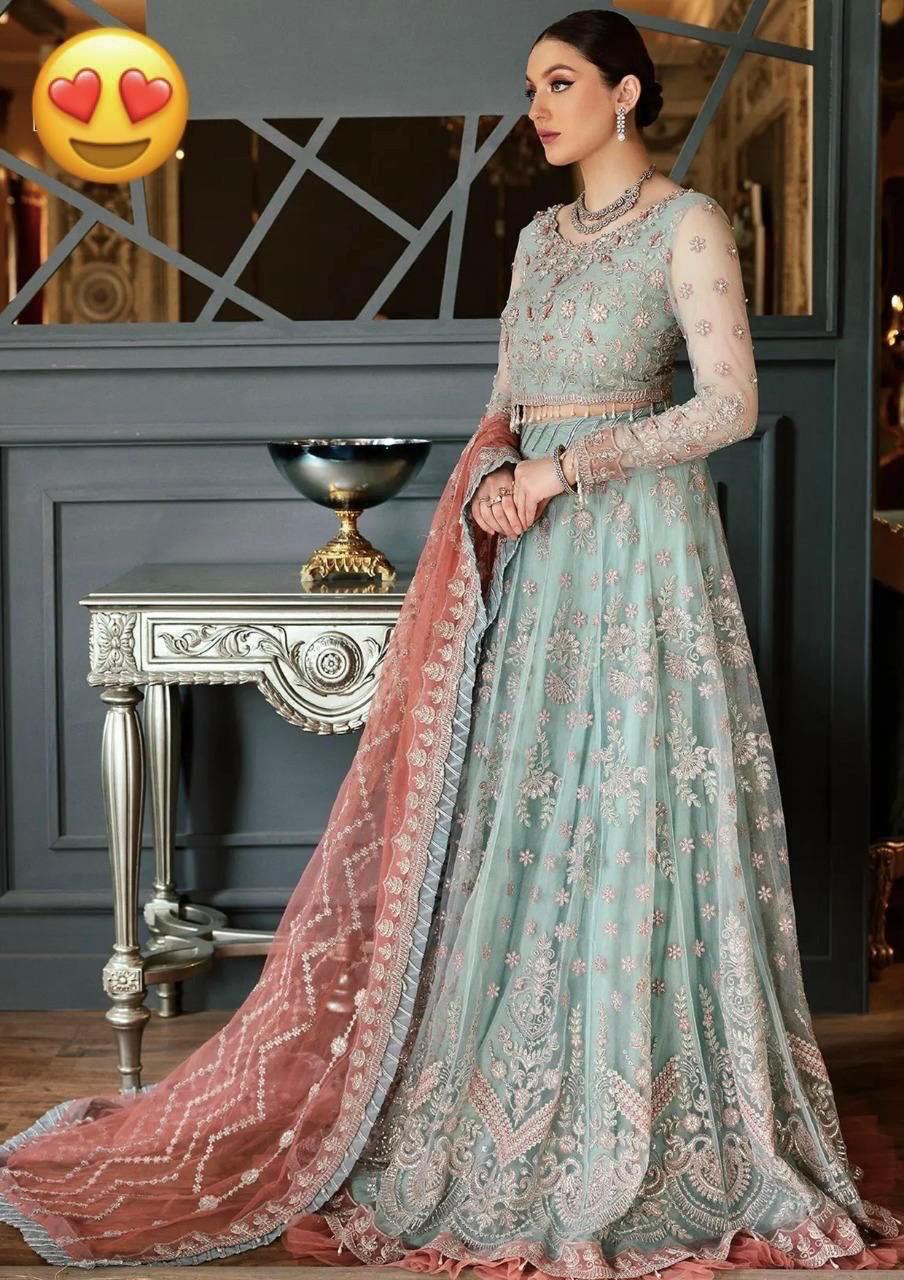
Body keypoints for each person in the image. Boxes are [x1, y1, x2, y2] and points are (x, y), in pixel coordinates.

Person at [2, 9, 904, 1277]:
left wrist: (562, 471)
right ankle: (517, 1094)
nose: (538, 106)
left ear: (626, 93)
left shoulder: (686, 225)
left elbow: (730, 406)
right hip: (536, 559)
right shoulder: (536, 241)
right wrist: (493, 479)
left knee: (631, 806)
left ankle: (638, 1101)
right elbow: (503, 402)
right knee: (528, 819)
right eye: (531, 85)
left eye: (561, 82)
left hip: (640, 555)